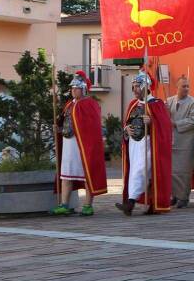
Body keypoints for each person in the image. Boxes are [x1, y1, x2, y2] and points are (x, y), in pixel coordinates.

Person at [116, 68, 173, 215]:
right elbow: (126, 123)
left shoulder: (157, 104)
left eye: (137, 86)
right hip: (134, 145)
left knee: (140, 171)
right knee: (137, 171)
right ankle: (146, 203)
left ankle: (131, 202)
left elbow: (165, 126)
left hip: (149, 145)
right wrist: (126, 129)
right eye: (133, 86)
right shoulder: (132, 105)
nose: (135, 89)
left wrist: (152, 121)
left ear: (146, 86)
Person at [52, 70, 107, 216]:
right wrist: (58, 127)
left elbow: (92, 126)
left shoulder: (90, 104)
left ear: (83, 89)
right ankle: (64, 204)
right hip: (68, 144)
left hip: (83, 146)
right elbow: (65, 121)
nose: (73, 90)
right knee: (66, 174)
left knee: (87, 174)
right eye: (72, 88)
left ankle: (88, 205)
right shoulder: (69, 104)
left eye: (76, 88)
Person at [166, 76, 194, 208]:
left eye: (188, 86)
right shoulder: (169, 101)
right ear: (177, 87)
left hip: (186, 142)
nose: (186, 89)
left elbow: (193, 120)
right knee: (172, 171)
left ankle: (184, 197)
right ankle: (174, 195)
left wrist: (176, 123)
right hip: (171, 141)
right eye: (183, 86)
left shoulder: (193, 102)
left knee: (184, 171)